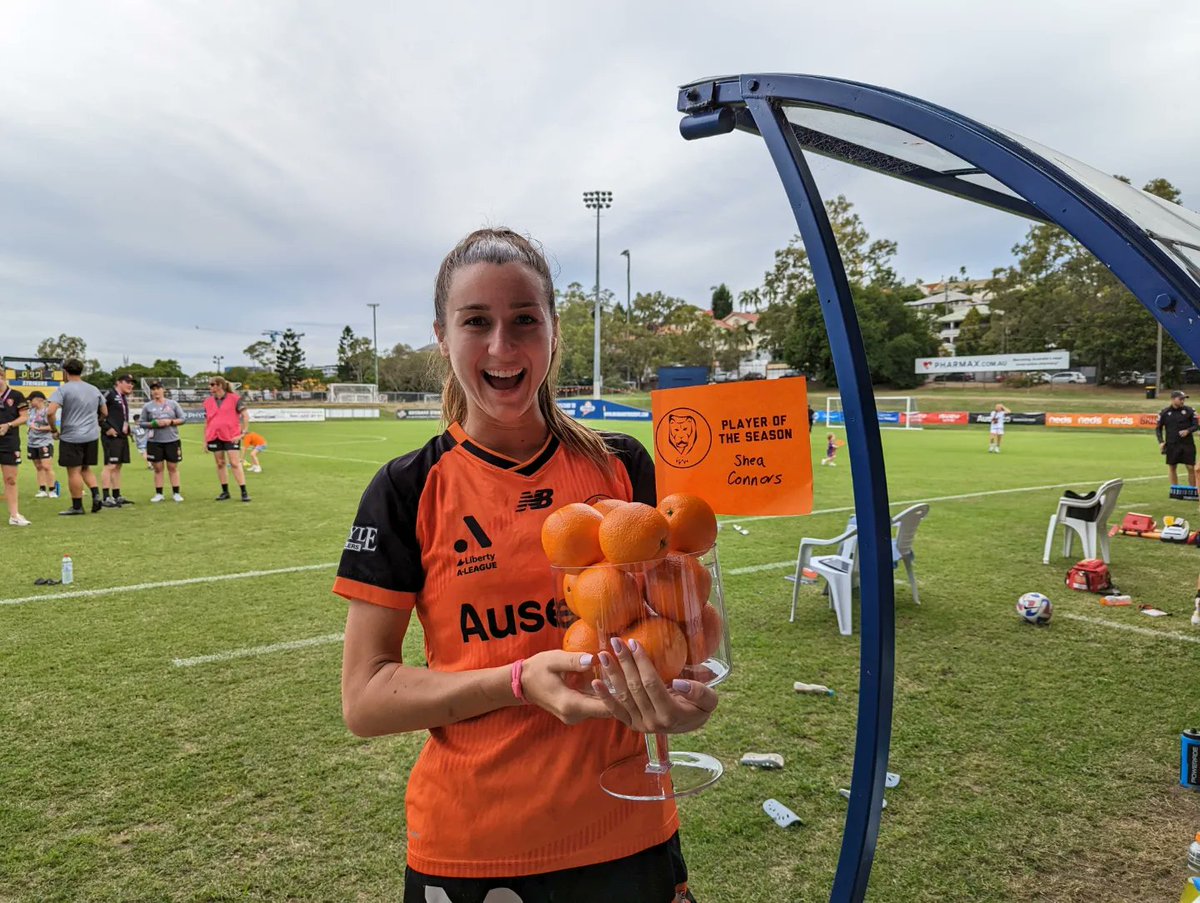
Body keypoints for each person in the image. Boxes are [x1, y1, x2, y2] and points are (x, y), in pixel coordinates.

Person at [334, 228, 713, 903]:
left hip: (628, 830)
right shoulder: (406, 488)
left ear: (553, 331)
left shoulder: (622, 467)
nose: (502, 347)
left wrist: (677, 698)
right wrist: (516, 680)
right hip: (474, 848)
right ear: (442, 337)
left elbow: (669, 635)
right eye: (476, 321)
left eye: (524, 321)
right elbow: (365, 699)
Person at [47, 358, 107, 516]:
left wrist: (54, 429)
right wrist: (96, 422)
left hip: (71, 436)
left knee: (73, 471)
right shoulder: (94, 389)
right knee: (86, 468)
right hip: (91, 435)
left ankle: (77, 506)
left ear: (65, 372)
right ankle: (96, 495)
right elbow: (105, 412)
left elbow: (50, 411)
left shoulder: (63, 389)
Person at [204, 376, 251, 502]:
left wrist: (243, 433)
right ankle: (225, 491)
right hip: (214, 435)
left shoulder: (235, 399)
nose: (210, 387)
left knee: (235, 463)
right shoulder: (207, 402)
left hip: (231, 436)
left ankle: (244, 491)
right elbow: (207, 421)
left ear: (220, 385)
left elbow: (245, 416)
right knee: (220, 463)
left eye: (212, 384)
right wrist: (205, 440)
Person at [141, 381, 186, 502]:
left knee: (172, 467)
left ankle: (176, 492)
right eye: (153, 389)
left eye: (158, 388)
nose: (156, 391)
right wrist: (154, 423)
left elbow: (183, 419)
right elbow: (142, 423)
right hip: (155, 441)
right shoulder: (147, 406)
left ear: (163, 390)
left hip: (172, 440)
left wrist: (170, 422)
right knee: (158, 468)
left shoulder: (173, 404)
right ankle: (159, 493)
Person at [99, 373, 136, 507]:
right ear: (118, 382)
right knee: (110, 465)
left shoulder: (123, 398)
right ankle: (105, 497)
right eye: (128, 382)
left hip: (121, 435)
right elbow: (98, 411)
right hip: (111, 436)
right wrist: (106, 427)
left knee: (118, 466)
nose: (130, 385)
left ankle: (116, 495)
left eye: (132, 383)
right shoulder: (110, 394)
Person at [0, 372, 31, 526]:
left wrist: (9, 425)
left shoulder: (17, 395)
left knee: (10, 480)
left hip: (9, 442)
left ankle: (14, 515)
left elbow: (25, 417)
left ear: (3, 378)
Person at [1157, 390, 1198, 487]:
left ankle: (1192, 490)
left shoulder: (1190, 411)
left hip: (1187, 444)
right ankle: (1174, 489)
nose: (1183, 401)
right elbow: (1158, 428)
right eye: (1180, 399)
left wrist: (1188, 431)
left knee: (1190, 467)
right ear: (1172, 399)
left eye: (1184, 399)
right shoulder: (1165, 412)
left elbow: (1196, 425)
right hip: (1172, 444)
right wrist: (1161, 442)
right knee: (1172, 466)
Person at [25, 391, 58, 499]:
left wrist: (39, 428)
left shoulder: (47, 411)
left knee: (46, 466)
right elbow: (28, 422)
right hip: (32, 442)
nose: (30, 401)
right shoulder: (31, 411)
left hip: (44, 441)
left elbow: (51, 427)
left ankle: (52, 490)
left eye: (32, 399)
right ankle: (42, 489)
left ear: (39, 399)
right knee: (38, 467)